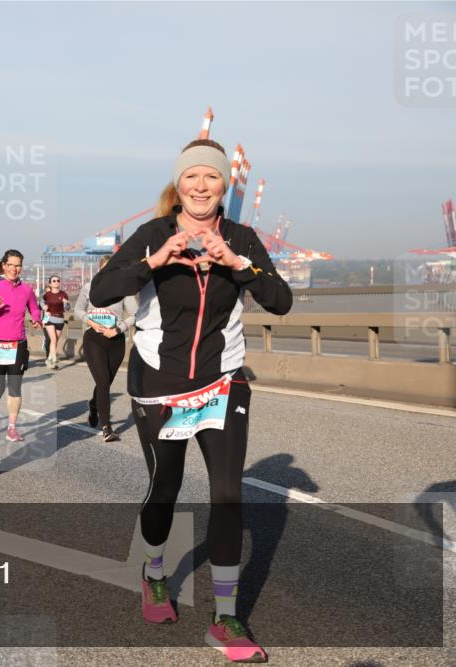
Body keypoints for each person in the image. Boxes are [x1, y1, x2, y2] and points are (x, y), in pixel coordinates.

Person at [90, 138, 291, 663]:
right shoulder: (153, 233)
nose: (201, 186)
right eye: (192, 177)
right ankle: (154, 572)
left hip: (224, 380)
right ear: (178, 184)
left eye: (212, 177)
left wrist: (237, 263)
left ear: (225, 184)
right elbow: (101, 291)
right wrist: (154, 262)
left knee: (228, 493)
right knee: (166, 486)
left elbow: (280, 299)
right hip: (160, 381)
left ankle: (226, 619)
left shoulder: (242, 237)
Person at [0, 250, 42, 442]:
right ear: (4, 266)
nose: (15, 269)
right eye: (12, 265)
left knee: (15, 388)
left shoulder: (27, 289)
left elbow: (33, 307)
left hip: (18, 345)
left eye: (18, 265)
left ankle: (12, 428)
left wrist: (37, 318)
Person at [75, 254, 137, 442]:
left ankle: (94, 404)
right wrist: (91, 323)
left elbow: (135, 314)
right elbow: (78, 310)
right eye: (105, 268)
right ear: (100, 269)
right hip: (94, 339)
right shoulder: (89, 287)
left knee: (106, 383)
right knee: (102, 382)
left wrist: (119, 328)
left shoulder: (124, 291)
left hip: (115, 340)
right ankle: (107, 428)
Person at [41, 275, 69, 369]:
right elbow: (41, 302)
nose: (56, 282)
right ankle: (54, 360)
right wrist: (43, 307)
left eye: (58, 280)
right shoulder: (47, 295)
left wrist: (66, 303)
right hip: (50, 318)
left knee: (55, 341)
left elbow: (68, 308)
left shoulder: (63, 294)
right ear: (50, 283)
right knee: (53, 339)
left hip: (60, 319)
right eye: (54, 281)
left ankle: (49, 358)